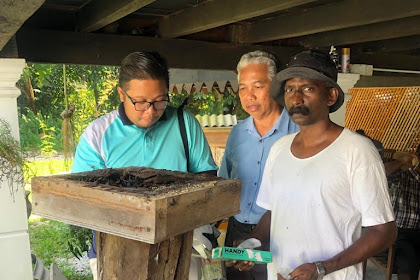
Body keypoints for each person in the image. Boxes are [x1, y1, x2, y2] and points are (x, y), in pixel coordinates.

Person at [230, 50, 397, 280]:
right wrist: (254, 242)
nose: (296, 99)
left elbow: (384, 232)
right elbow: (274, 211)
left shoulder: (357, 151)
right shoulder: (279, 149)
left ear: (330, 96)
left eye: (308, 89)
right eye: (290, 90)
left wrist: (322, 268)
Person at [71, 51, 218, 280]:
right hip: (116, 252)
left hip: (182, 249)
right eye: (139, 102)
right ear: (121, 93)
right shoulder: (98, 135)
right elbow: (84, 200)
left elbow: (207, 180)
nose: (150, 111)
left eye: (159, 101)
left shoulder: (184, 124)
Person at [219, 50, 299, 280]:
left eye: (257, 86)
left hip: (281, 234)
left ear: (275, 86)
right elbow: (225, 184)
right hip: (236, 233)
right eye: (243, 88)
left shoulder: (297, 132)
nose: (248, 96)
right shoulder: (237, 133)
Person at [383, 147, 419, 280]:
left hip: (417, 233)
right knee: (408, 263)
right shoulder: (402, 176)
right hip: (399, 233)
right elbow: (380, 173)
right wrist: (402, 161)